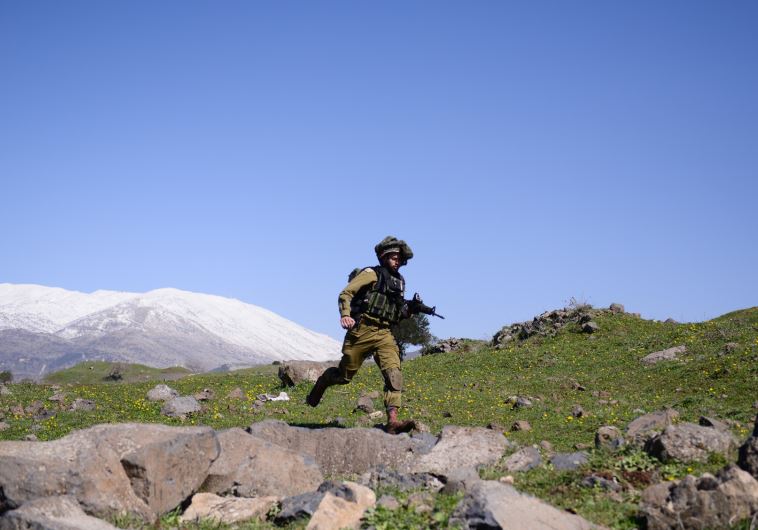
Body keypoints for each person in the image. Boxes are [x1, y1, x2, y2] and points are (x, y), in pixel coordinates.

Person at [306, 235, 419, 434]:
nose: (397, 260)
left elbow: (396, 313)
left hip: (384, 333)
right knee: (344, 376)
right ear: (384, 257)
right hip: (362, 330)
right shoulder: (370, 274)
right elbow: (346, 294)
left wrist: (410, 310)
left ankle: (392, 421)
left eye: (400, 257)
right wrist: (345, 315)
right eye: (393, 256)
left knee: (394, 374)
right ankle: (324, 381)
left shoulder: (400, 282)